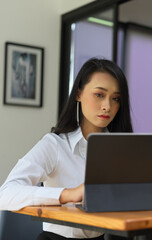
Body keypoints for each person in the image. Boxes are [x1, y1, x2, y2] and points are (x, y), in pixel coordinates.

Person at [0, 58, 133, 240]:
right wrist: (68, 194)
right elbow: (6, 193)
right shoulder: (54, 145)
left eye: (115, 99)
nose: (107, 106)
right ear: (78, 94)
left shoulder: (122, 149)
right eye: (99, 95)